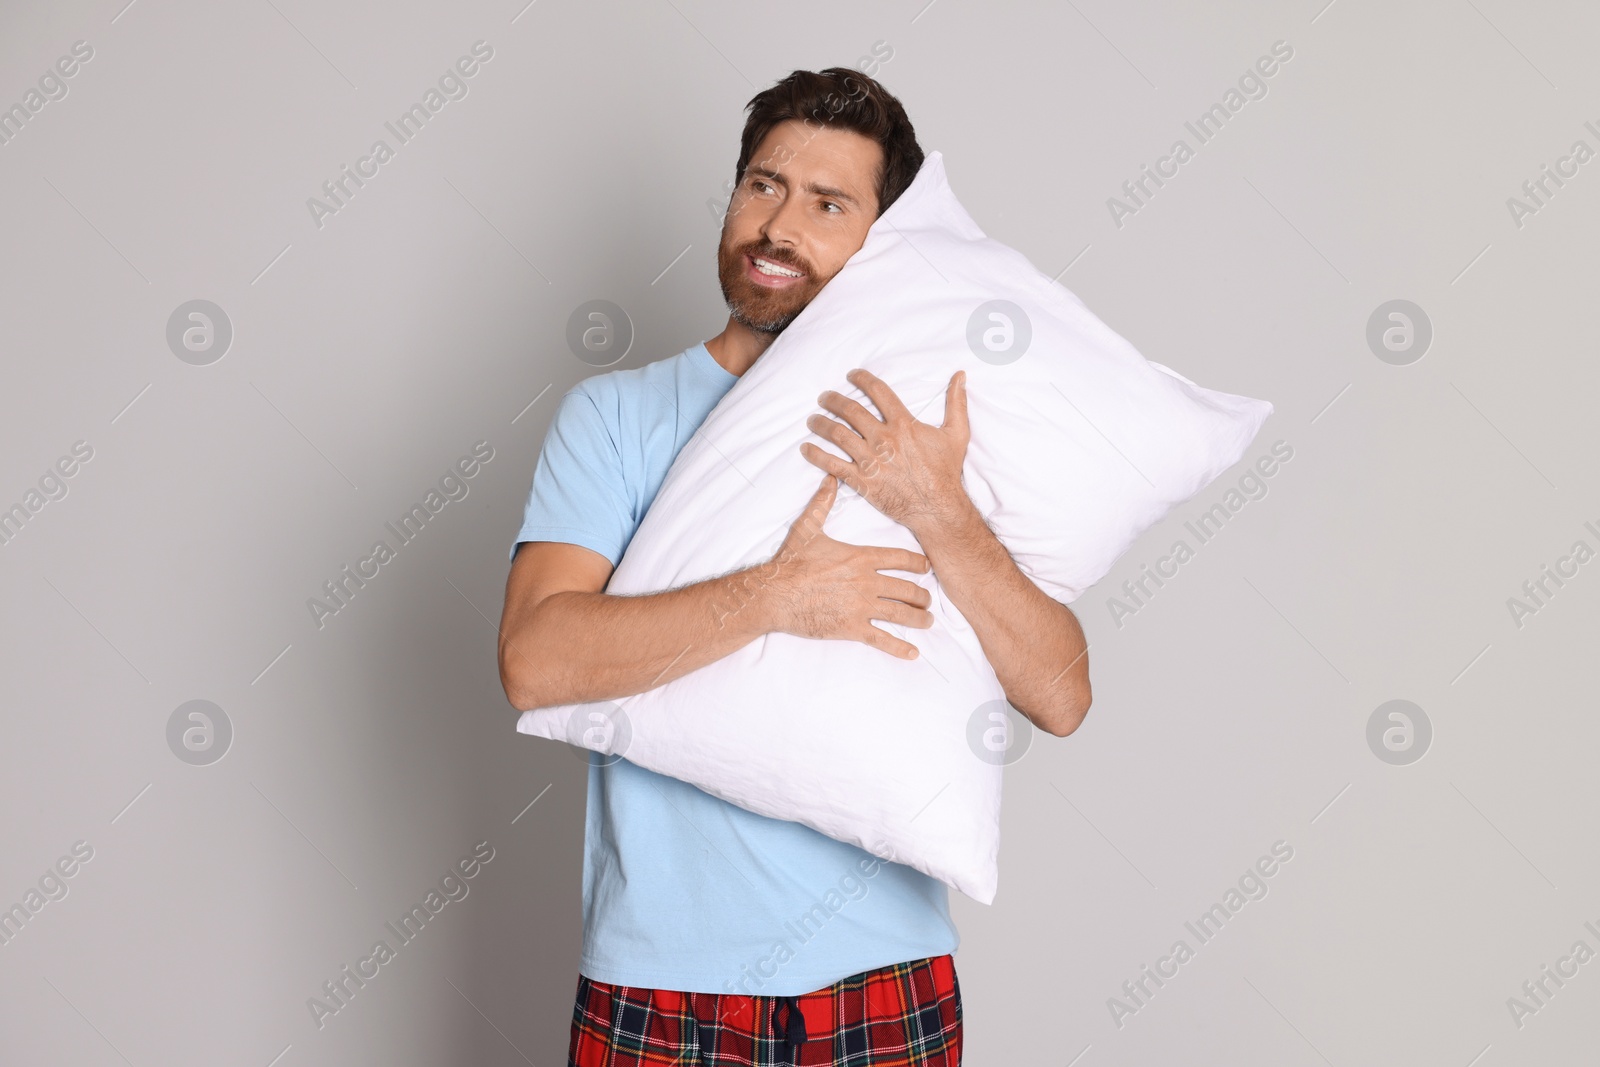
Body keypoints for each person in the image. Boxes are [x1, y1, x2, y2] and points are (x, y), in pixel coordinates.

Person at [498, 66, 1091, 1067]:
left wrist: (938, 508)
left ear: (881, 246)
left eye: (827, 204)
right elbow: (536, 662)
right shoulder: (616, 417)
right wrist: (778, 594)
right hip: (657, 984)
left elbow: (1061, 692)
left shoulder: (926, 430)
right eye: (763, 186)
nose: (778, 226)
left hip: (885, 981)